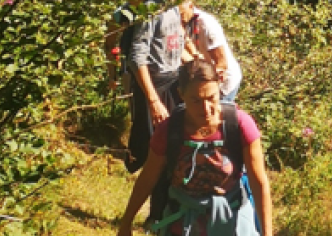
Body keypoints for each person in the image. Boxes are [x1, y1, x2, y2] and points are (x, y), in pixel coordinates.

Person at [116, 58, 273, 236]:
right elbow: (148, 178)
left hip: (231, 221)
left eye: (211, 98)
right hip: (182, 223)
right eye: (196, 101)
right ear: (181, 94)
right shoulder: (170, 130)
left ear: (219, 86)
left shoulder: (239, 125)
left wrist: (267, 233)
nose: (206, 109)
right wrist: (126, 222)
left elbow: (258, 182)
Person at [127, 0, 207, 179]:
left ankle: (163, 208)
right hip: (154, 84)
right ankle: (153, 210)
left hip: (173, 82)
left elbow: (175, 46)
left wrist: (200, 71)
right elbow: (137, 57)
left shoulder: (173, 10)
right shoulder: (150, 11)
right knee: (157, 152)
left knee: (174, 148)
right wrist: (153, 101)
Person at [105, 0, 158, 96]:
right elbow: (109, 43)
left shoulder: (158, 10)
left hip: (160, 67)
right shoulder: (121, 14)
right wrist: (112, 75)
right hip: (131, 69)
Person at [186, 4, 243, 103]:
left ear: (190, 6)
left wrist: (210, 85)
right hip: (206, 76)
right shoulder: (183, 22)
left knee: (216, 114)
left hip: (225, 82)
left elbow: (222, 63)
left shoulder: (205, 23)